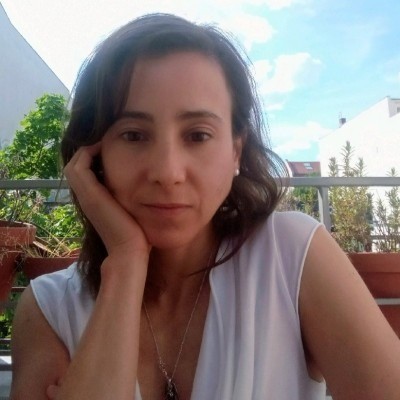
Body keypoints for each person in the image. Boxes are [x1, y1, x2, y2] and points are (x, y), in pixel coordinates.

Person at [10, 13, 400, 400]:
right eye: (133, 135)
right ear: (94, 157)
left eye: (197, 135)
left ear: (236, 152)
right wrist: (126, 264)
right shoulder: (49, 310)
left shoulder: (292, 259)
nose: (168, 172)